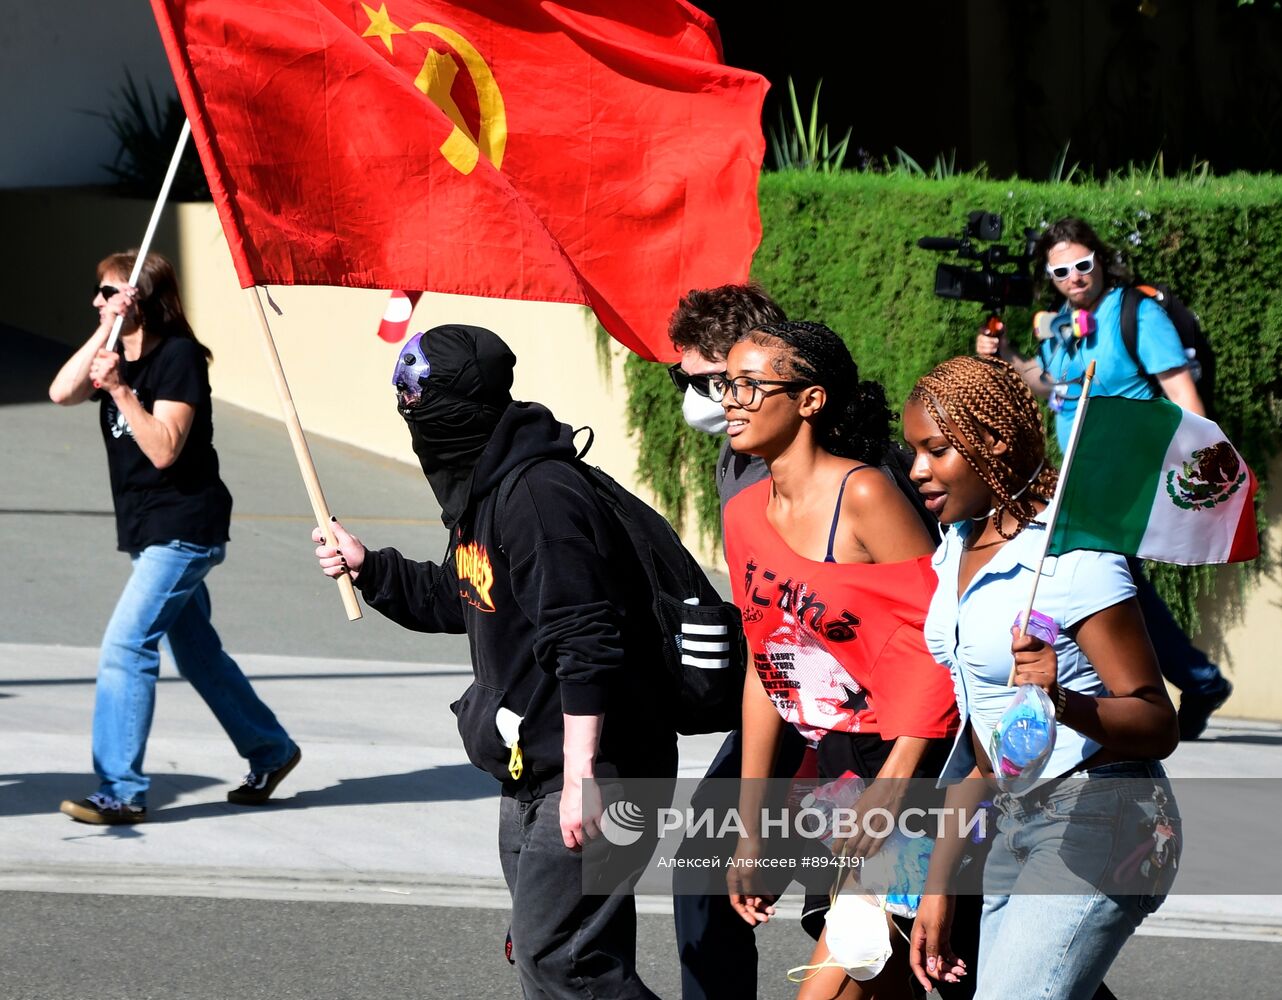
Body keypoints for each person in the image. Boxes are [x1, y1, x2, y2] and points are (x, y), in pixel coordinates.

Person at [313, 324, 675, 999]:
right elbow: (465, 599)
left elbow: (585, 640)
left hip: (599, 771)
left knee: (562, 963)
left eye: (422, 406)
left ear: (460, 411)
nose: (414, 425)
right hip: (532, 772)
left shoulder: (539, 495)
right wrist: (371, 570)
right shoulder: (486, 489)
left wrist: (582, 776)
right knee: (564, 959)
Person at [903, 355, 1180, 999]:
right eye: (914, 450)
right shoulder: (955, 548)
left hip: (1103, 812)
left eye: (937, 450)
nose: (918, 470)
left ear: (993, 441)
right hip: (1006, 815)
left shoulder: (1071, 556)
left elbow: (1155, 719)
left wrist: (1061, 699)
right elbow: (985, 754)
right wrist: (938, 883)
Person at [716, 321, 963, 1000]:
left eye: (749, 384)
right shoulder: (742, 515)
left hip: (915, 773)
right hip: (837, 779)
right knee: (894, 981)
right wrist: (749, 831)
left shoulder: (866, 495)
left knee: (841, 977)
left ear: (810, 400)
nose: (730, 400)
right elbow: (769, 672)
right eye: (725, 384)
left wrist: (896, 779)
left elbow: (942, 639)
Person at [48, 250, 300, 825]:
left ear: (142, 298)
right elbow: (62, 391)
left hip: (183, 529)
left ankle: (121, 790)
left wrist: (119, 392)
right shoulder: (115, 353)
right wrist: (105, 332)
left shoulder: (179, 358)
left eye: (109, 292)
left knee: (126, 646)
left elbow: (163, 447)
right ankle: (272, 750)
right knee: (197, 654)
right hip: (147, 530)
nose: (98, 300)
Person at [976, 216, 1231, 738]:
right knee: (1118, 587)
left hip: (1128, 478)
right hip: (1077, 479)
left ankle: (1139, 688)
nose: (1074, 277)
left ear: (1100, 261)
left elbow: (1182, 394)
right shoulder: (1062, 324)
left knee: (1101, 580)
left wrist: (1204, 469)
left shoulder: (1135, 314)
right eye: (1061, 270)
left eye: (1083, 265)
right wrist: (1007, 358)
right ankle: (1190, 680)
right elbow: (1052, 387)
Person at [666, 283, 809, 1000]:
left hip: (836, 714)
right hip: (780, 692)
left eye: (696, 379)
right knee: (705, 881)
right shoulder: (737, 455)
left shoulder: (817, 471)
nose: (690, 397)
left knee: (887, 923)